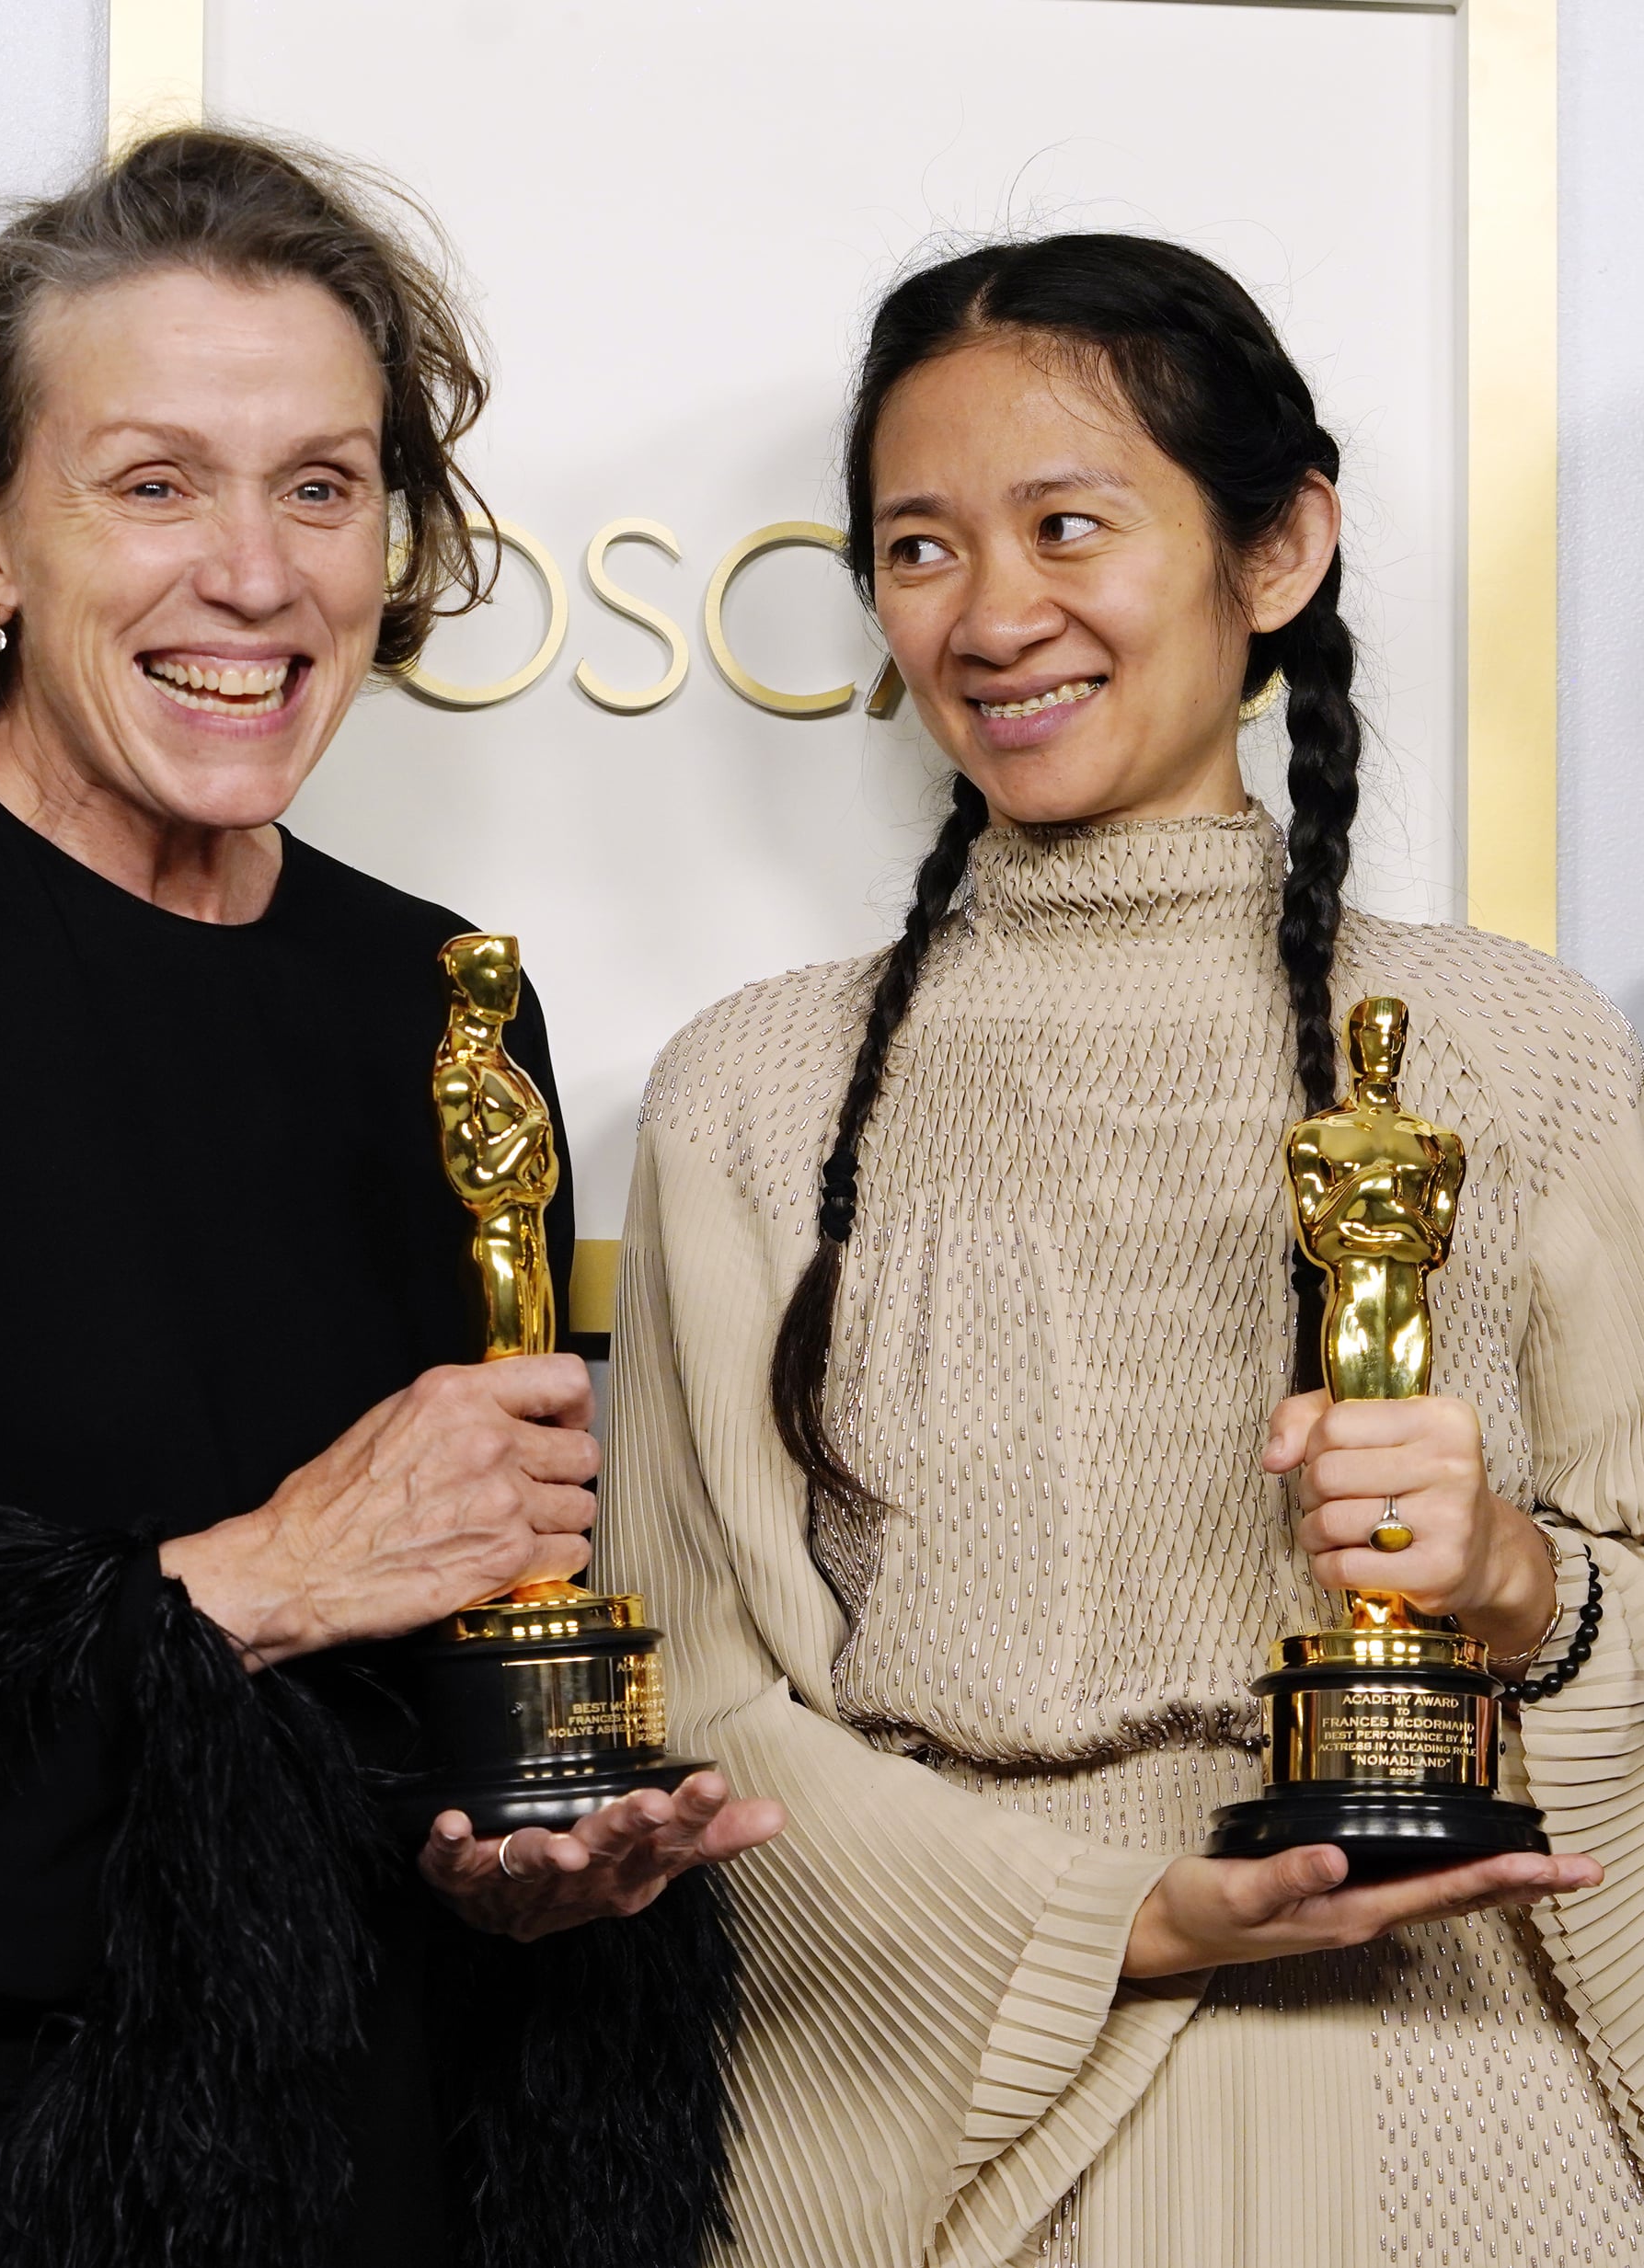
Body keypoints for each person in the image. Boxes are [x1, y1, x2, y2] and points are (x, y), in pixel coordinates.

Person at [0, 127, 780, 2268]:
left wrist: (506, 1858)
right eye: (153, 484)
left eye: (320, 485)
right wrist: (273, 1573)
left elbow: (423, 1691)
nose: (255, 572)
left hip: (382, 2175)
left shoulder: (444, 1002)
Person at [596, 235, 1644, 2266]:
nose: (992, 617)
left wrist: (1520, 1584)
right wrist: (1133, 1921)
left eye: (1068, 525)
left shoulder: (1521, 1048)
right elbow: (701, 1702)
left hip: (1466, 2126)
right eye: (918, 549)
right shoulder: (745, 1089)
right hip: (951, 2136)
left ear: (1278, 552)